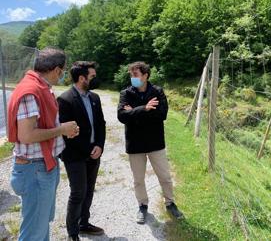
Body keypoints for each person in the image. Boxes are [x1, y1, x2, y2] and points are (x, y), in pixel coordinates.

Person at [7, 47, 79, 241]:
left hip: (42, 166)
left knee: (40, 226)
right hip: (35, 170)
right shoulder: (31, 91)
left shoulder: (40, 87)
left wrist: (62, 131)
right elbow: (27, 135)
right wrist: (61, 130)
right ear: (57, 70)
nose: (62, 75)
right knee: (34, 233)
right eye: (63, 71)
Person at [117, 61, 183, 224]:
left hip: (155, 143)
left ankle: (170, 203)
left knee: (165, 177)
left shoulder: (157, 91)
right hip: (135, 144)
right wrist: (145, 109)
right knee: (138, 179)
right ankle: (142, 205)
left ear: (145, 75)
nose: (133, 78)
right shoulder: (125, 93)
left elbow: (161, 115)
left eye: (136, 75)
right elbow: (121, 117)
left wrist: (133, 112)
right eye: (131, 75)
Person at [57, 61, 106, 241]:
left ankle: (84, 224)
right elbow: (68, 133)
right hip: (75, 155)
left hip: (95, 153)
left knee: (89, 190)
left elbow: (101, 124)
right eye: (91, 76)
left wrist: (99, 145)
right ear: (81, 78)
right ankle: (72, 233)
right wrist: (89, 149)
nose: (94, 79)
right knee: (78, 192)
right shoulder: (65, 99)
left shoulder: (95, 98)